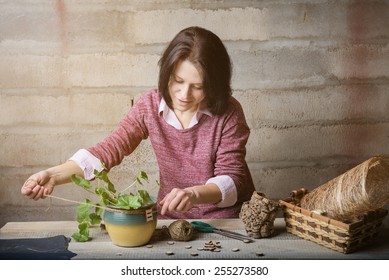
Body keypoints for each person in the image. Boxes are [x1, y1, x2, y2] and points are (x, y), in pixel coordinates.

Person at [21, 26, 255, 219]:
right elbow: (111, 148)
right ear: (167, 73)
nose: (184, 94)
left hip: (226, 222)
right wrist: (53, 175)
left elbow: (232, 180)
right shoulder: (150, 105)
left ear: (214, 84)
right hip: (170, 217)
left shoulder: (229, 113)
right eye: (178, 81)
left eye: (197, 86)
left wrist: (193, 194)